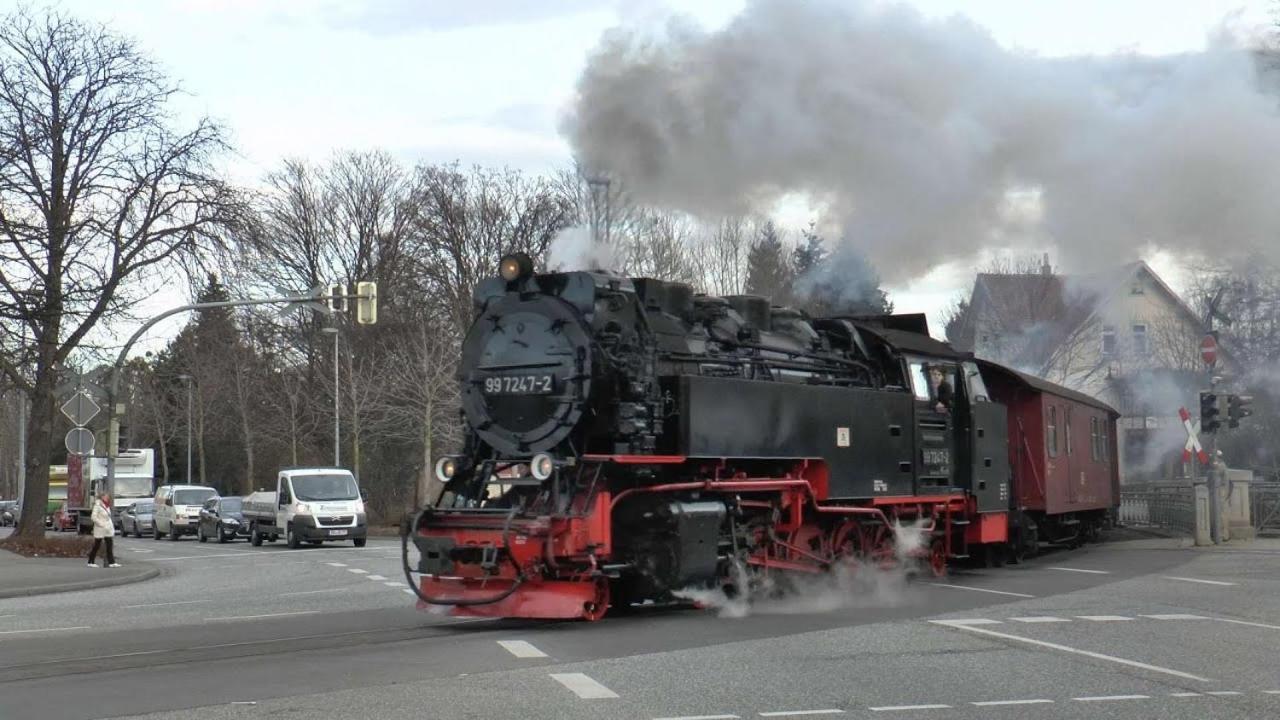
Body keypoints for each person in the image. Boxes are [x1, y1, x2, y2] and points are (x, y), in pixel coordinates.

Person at [87, 492, 120, 568]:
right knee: (96, 545)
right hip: (100, 529)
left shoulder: (107, 505)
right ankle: (90, 561)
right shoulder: (97, 505)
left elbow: (107, 517)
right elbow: (93, 517)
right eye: (106, 496)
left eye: (108, 496)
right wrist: (101, 524)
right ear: (102, 497)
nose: (107, 498)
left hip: (107, 529)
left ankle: (111, 562)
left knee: (109, 545)